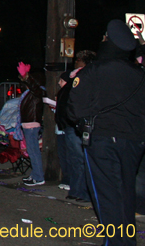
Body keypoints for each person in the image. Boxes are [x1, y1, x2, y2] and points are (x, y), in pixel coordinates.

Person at [68, 19, 145, 246]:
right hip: (134, 141)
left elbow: (74, 109)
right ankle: (126, 241)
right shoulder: (139, 74)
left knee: (106, 194)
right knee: (125, 192)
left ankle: (114, 242)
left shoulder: (95, 71)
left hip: (102, 140)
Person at [54, 50, 94, 204]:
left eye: (77, 60)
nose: (75, 62)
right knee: (74, 159)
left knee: (80, 159)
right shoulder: (75, 77)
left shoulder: (85, 77)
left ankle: (83, 192)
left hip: (78, 124)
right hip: (70, 124)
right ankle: (76, 190)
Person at [17, 64, 45, 187]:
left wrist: (26, 76)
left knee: (33, 151)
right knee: (32, 150)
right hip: (29, 124)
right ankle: (34, 175)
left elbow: (33, 86)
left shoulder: (38, 91)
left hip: (32, 125)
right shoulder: (31, 92)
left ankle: (38, 177)